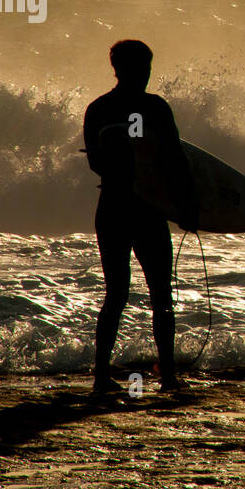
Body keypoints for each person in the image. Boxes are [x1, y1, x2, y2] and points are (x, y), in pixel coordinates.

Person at [83, 40, 197, 394]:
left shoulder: (99, 108)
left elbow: (96, 163)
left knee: (122, 293)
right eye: (142, 69)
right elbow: (175, 161)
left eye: (148, 68)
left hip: (115, 207)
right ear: (122, 70)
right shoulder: (154, 108)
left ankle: (107, 376)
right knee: (150, 294)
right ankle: (163, 377)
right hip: (143, 211)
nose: (146, 75)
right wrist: (186, 205)